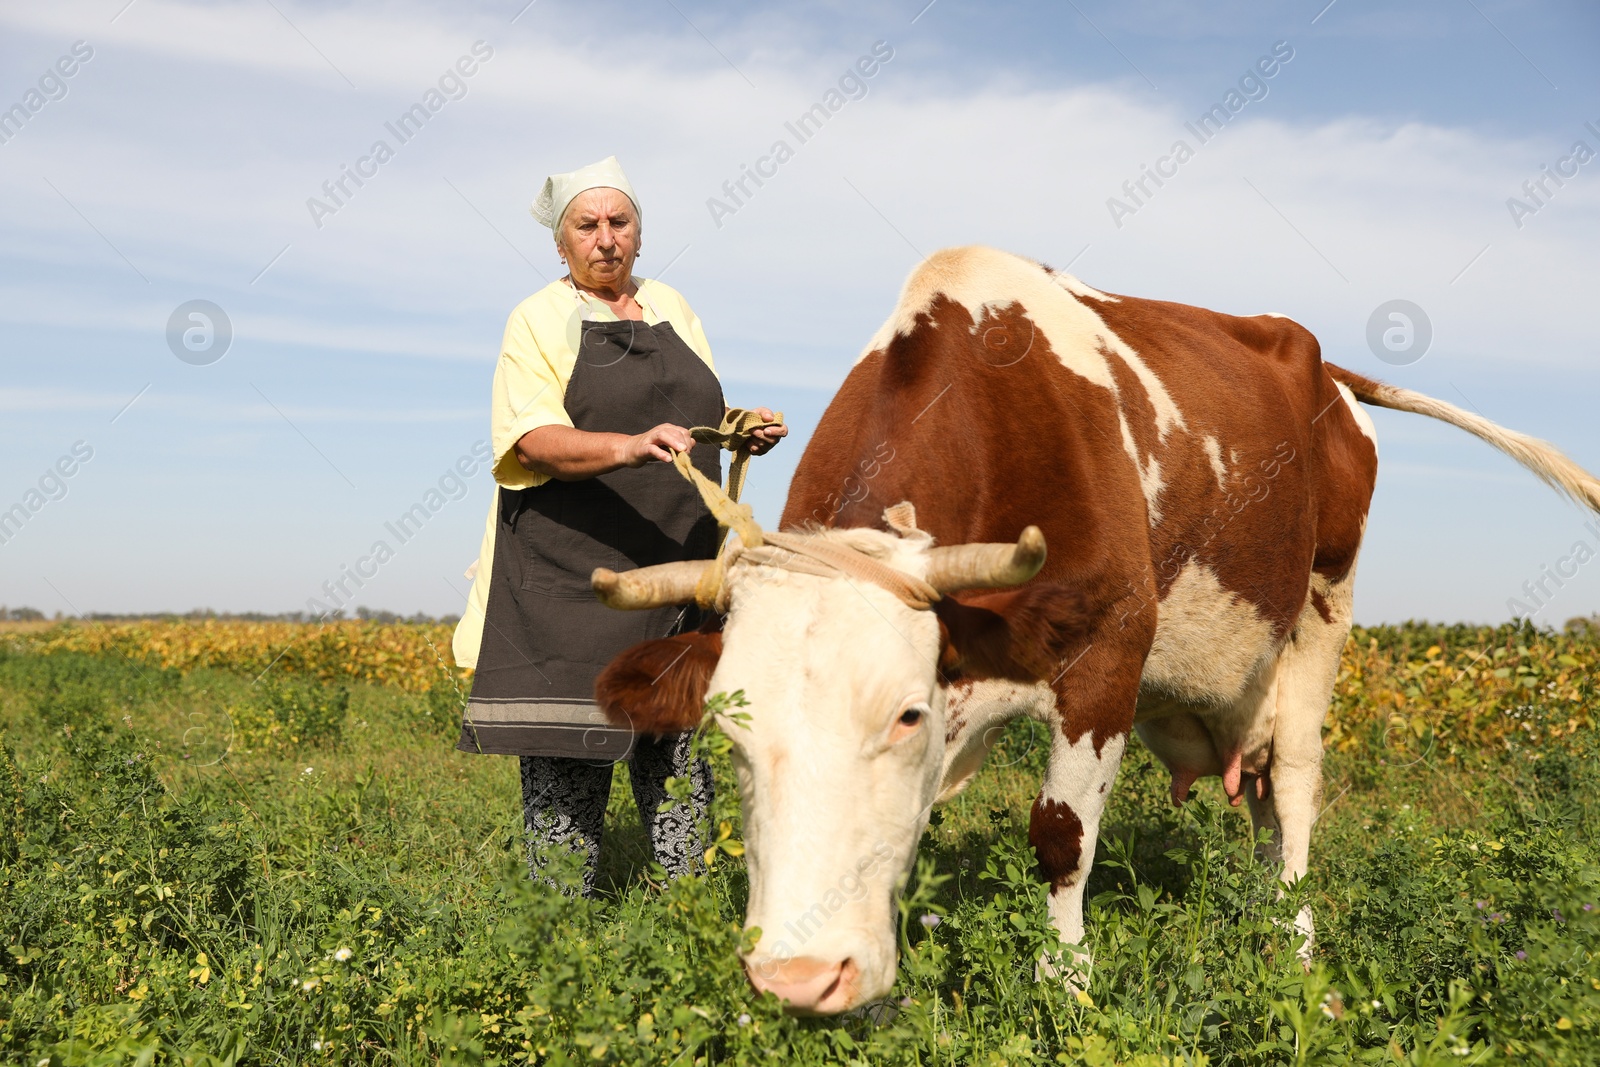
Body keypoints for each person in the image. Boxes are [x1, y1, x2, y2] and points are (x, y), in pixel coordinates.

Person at [451, 156, 785, 896]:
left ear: (638, 232)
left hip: (675, 569)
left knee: (678, 766)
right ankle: (562, 931)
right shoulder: (538, 317)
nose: (606, 239)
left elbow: (692, 414)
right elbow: (531, 438)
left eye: (619, 222)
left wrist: (739, 428)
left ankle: (686, 921)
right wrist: (628, 446)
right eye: (587, 225)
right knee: (570, 766)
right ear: (561, 244)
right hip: (574, 577)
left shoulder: (672, 303)